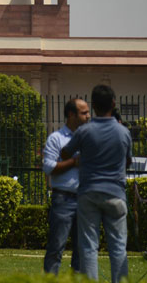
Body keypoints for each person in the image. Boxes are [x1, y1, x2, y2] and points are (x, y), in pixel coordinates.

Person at [61, 85, 133, 283]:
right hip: (115, 192)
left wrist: (83, 157)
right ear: (113, 104)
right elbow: (128, 161)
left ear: (93, 106)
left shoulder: (85, 131)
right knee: (118, 247)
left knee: (88, 246)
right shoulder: (123, 132)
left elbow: (65, 153)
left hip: (89, 192)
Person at [41, 97, 91, 275]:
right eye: (84, 112)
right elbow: (49, 168)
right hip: (63, 198)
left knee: (82, 250)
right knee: (56, 247)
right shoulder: (56, 139)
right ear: (71, 114)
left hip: (85, 198)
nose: (88, 116)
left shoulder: (88, 138)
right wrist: (73, 162)